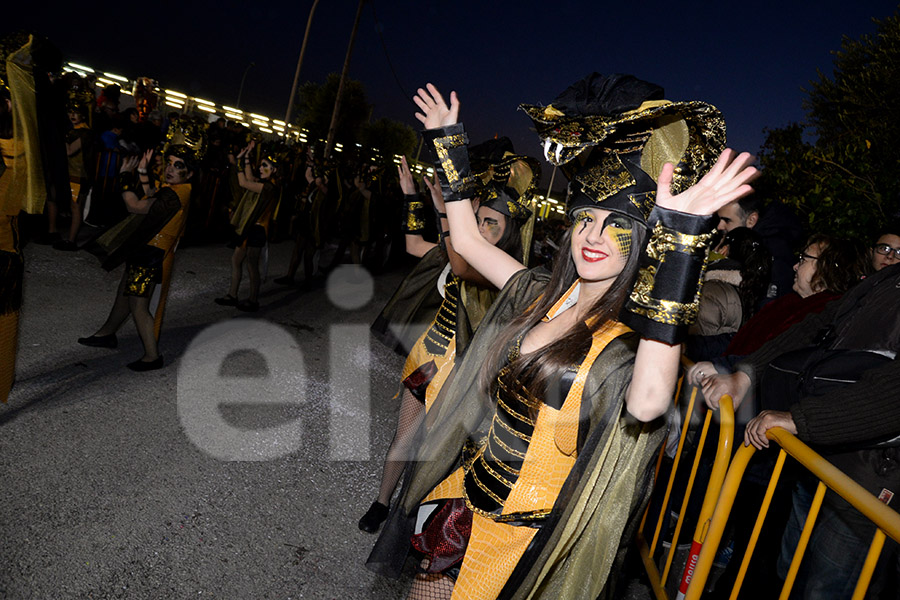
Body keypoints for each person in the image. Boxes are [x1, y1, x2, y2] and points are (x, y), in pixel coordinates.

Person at [366, 74, 757, 600]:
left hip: (523, 544)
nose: (594, 236)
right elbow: (462, 240)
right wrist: (448, 139)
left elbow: (646, 405)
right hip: (463, 503)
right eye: (585, 219)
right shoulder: (534, 293)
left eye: (616, 226)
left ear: (643, 242)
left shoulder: (630, 342)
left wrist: (683, 241)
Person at [359, 149, 540, 534]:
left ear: (511, 230)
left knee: (436, 454)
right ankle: (381, 502)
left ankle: (416, 521)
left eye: (491, 223)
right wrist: (412, 196)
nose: (481, 228)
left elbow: (461, 264)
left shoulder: (507, 277)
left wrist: (447, 207)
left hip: (460, 374)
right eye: (478, 220)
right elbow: (412, 247)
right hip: (427, 355)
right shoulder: (462, 248)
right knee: (404, 437)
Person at [78, 137, 198, 371]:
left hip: (150, 255)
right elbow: (152, 193)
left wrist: (124, 176)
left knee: (138, 306)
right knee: (126, 292)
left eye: (178, 165)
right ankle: (106, 334)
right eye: (170, 163)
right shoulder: (177, 190)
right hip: (147, 250)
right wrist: (142, 171)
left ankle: (152, 357)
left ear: (190, 173)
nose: (170, 168)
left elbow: (135, 205)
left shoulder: (174, 195)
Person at [1, 37, 47, 403]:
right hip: (7, 252)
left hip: (4, 254)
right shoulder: (25, 154)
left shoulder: (20, 158)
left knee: (4, 326)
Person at [685, 227, 771, 361]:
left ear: (724, 250)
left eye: (717, 247)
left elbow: (696, 342)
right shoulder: (751, 287)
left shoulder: (710, 291)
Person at [215, 140, 282, 312]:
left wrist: (237, 163)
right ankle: (232, 295)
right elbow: (250, 178)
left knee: (251, 265)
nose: (261, 168)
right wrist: (245, 158)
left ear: (274, 169)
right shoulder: (265, 184)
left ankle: (253, 300)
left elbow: (244, 183)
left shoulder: (270, 187)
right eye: (260, 165)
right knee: (236, 260)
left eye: (265, 166)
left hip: (258, 230)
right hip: (249, 228)